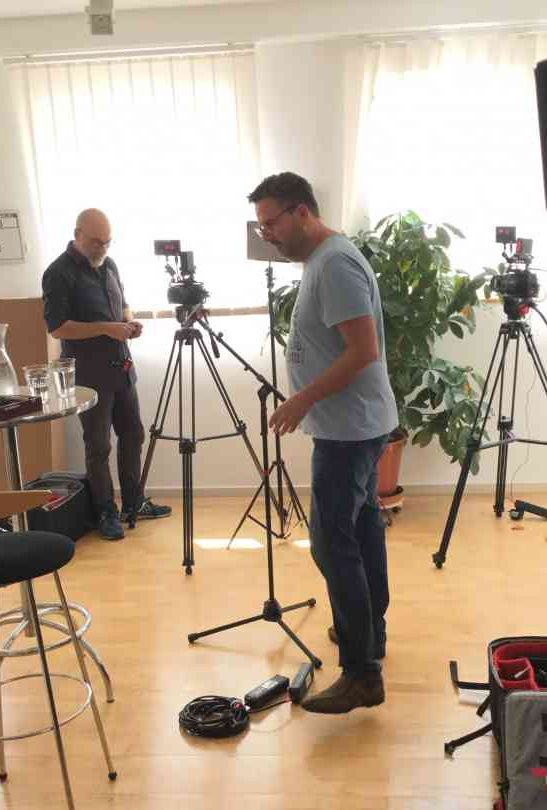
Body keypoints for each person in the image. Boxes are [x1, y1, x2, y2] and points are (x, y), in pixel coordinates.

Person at [249, 173, 398, 714]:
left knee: (331, 545)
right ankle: (369, 633)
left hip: (348, 430)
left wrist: (302, 400)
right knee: (361, 531)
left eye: (271, 223)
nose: (266, 234)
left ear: (302, 212)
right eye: (261, 226)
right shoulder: (322, 260)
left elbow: (363, 350)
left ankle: (361, 674)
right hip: (352, 425)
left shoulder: (334, 264)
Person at [42, 208, 171, 540]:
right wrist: (105, 328)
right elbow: (58, 327)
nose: (102, 248)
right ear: (77, 235)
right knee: (98, 447)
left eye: (107, 242)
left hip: (121, 367)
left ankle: (133, 503)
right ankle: (105, 512)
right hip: (88, 376)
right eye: (96, 242)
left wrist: (128, 323)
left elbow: (123, 304)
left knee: (134, 435)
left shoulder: (109, 264)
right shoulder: (57, 273)